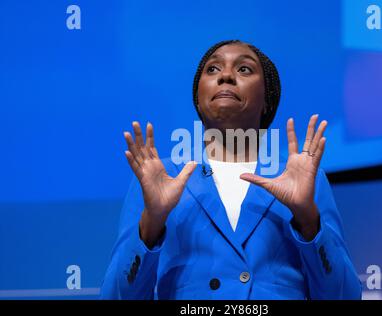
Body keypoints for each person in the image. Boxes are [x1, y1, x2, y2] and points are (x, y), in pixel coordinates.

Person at [100, 40, 362, 299]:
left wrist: (308, 220)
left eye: (244, 69)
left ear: (267, 99)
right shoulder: (158, 177)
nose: (225, 75)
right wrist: (151, 224)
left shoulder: (304, 176)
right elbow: (116, 296)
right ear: (199, 100)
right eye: (212, 69)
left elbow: (345, 295)